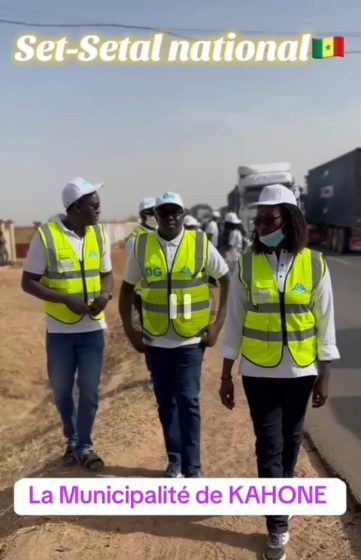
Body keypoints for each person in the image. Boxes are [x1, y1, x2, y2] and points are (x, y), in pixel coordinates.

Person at [219, 184, 340, 560]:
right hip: (258, 372)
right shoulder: (246, 265)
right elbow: (235, 322)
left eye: (270, 219)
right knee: (267, 447)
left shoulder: (314, 264)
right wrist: (226, 373)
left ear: (289, 219)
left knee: (290, 445)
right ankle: (277, 525)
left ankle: (282, 494)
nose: (261, 227)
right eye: (259, 221)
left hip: (300, 373)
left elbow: (325, 321)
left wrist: (324, 372)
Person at [119, 192, 230, 478]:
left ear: (183, 214)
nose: (170, 218)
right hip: (156, 340)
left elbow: (226, 279)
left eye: (175, 212)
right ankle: (175, 460)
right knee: (165, 401)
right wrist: (131, 331)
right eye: (164, 213)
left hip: (190, 340)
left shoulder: (200, 244)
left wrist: (217, 325)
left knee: (188, 401)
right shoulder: (142, 246)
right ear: (155, 217)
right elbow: (127, 291)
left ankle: (193, 468)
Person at [21, 177, 113, 472]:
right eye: (93, 204)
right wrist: (64, 300)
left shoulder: (100, 235)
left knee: (89, 390)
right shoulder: (46, 236)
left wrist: (106, 294)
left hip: (92, 330)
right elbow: (28, 282)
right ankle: (71, 438)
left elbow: (107, 274)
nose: (99, 208)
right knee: (62, 390)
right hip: (60, 331)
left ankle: (84, 445)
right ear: (75, 207)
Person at [125, 197, 157, 391]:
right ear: (144, 215)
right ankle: (154, 375)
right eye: (153, 212)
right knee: (151, 335)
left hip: (163, 293)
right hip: (144, 294)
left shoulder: (160, 233)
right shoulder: (136, 238)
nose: (156, 215)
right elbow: (136, 267)